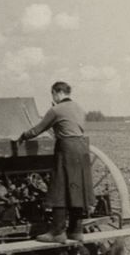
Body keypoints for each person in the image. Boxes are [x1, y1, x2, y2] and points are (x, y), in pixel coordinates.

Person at [17, 81, 94, 243]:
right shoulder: (80, 108)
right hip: (82, 149)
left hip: (66, 148)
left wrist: (23, 136)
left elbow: (37, 130)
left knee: (60, 187)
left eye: (53, 94)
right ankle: (76, 231)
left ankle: (57, 232)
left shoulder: (56, 109)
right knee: (76, 188)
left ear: (56, 93)